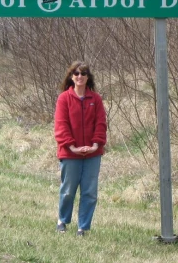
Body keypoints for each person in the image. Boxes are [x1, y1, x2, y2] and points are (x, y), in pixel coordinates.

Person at [54, 61, 107, 236]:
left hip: (92, 154)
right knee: (68, 190)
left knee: (89, 192)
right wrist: (72, 147)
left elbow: (100, 124)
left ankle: (83, 227)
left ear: (88, 77)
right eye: (76, 73)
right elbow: (61, 126)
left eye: (83, 73)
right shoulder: (64, 98)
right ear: (71, 76)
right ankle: (62, 220)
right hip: (70, 154)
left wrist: (95, 145)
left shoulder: (96, 99)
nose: (79, 76)